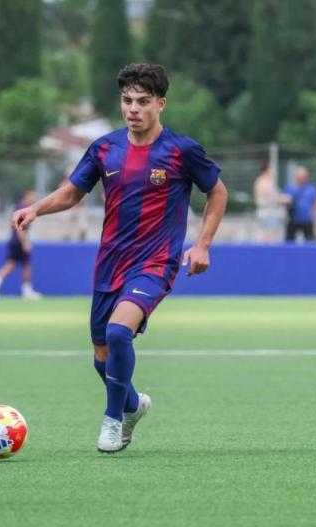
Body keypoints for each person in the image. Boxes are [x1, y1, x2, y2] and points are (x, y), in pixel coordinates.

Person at [12, 63, 228, 453]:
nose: (133, 109)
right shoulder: (104, 148)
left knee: (117, 333)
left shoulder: (182, 151)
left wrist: (203, 244)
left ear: (161, 104)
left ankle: (113, 422)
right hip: (110, 262)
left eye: (143, 102)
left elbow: (217, 192)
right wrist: (36, 210)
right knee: (101, 356)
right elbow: (72, 192)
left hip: (156, 262)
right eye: (127, 101)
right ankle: (131, 404)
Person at [0, 190, 43, 300]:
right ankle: (26, 290)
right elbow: (20, 228)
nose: (34, 198)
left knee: (13, 265)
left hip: (15, 240)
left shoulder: (21, 207)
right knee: (24, 265)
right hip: (19, 241)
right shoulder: (23, 208)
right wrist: (25, 242)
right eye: (32, 196)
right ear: (26, 196)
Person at [253, 161, 286, 242]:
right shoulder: (263, 182)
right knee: (268, 237)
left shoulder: (268, 182)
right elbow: (272, 197)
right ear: (267, 169)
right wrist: (285, 199)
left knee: (272, 236)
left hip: (271, 213)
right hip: (267, 213)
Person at [283, 166, 316, 242]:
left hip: (307, 220)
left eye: (304, 177)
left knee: (310, 241)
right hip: (293, 219)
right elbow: (284, 201)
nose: (302, 179)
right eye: (300, 177)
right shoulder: (289, 188)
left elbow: (315, 203)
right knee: (289, 241)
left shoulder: (311, 188)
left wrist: (314, 215)